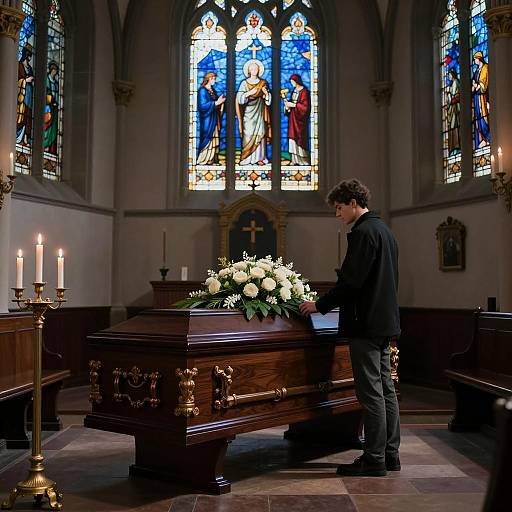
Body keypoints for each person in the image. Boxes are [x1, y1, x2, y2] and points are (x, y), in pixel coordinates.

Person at [300, 179, 401, 477]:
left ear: (353, 203)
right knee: (386, 391)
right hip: (384, 322)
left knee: (371, 394)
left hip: (366, 323)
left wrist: (319, 305)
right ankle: (390, 455)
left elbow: (352, 283)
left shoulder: (363, 233)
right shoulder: (385, 230)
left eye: (339, 208)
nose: (338, 214)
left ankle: (374, 459)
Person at [236, 59, 271, 166]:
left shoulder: (263, 83)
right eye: (252, 69)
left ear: (259, 70)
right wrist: (248, 93)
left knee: (260, 133)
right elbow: (239, 99)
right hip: (248, 113)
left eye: (256, 68)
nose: (254, 70)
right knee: (248, 134)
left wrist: (266, 94)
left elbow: (268, 102)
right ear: (248, 71)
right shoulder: (244, 83)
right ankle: (247, 158)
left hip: (260, 111)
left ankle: (260, 157)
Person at [197, 72, 226, 165]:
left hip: (214, 118)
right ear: (209, 79)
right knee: (208, 137)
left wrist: (220, 103)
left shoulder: (212, 90)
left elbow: (216, 103)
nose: (215, 80)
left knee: (214, 138)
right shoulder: (202, 91)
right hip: (207, 120)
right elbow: (202, 106)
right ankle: (203, 159)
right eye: (213, 79)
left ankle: (212, 158)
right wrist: (216, 103)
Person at [284, 74, 311, 165]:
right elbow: (292, 104)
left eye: (293, 82)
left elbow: (305, 108)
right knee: (292, 137)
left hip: (300, 121)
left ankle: (302, 160)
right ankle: (294, 160)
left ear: (297, 81)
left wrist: (294, 105)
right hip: (293, 118)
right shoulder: (294, 91)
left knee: (300, 138)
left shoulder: (304, 92)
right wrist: (287, 107)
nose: (292, 84)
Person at [17, 45, 35, 146]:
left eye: (30, 55)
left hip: (29, 95)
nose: (29, 57)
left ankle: (25, 138)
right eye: (28, 55)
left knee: (28, 115)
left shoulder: (30, 68)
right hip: (21, 95)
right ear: (25, 54)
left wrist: (31, 82)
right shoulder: (19, 66)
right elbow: (17, 80)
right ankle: (18, 137)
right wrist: (25, 80)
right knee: (21, 114)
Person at [472, 51, 490, 149]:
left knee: (484, 116)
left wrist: (477, 86)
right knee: (478, 118)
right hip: (476, 97)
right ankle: (481, 139)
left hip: (482, 96)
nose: (474, 61)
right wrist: (474, 87)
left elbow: (483, 84)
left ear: (479, 59)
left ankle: (487, 138)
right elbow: (473, 85)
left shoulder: (485, 68)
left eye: (475, 59)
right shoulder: (476, 71)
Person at [44, 61, 60, 155]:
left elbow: (57, 95)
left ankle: (52, 149)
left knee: (54, 129)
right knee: (47, 128)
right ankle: (45, 146)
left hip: (55, 108)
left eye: (56, 70)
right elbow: (46, 93)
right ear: (51, 70)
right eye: (54, 70)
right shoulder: (46, 80)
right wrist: (51, 99)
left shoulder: (56, 83)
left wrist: (55, 101)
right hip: (47, 108)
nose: (55, 72)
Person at [446, 68, 460, 156]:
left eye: (450, 74)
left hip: (455, 108)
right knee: (452, 127)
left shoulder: (456, 82)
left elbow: (455, 96)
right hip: (452, 109)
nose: (449, 76)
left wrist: (449, 96)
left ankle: (457, 146)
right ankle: (453, 147)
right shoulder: (452, 85)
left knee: (455, 126)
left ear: (453, 74)